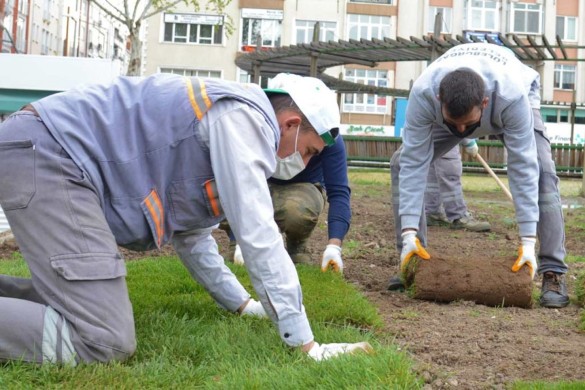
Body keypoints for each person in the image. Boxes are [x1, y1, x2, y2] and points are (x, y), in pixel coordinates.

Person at [0, 72, 371, 364]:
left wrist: (242, 305)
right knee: (103, 338)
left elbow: (192, 235)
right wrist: (305, 343)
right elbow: (259, 236)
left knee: (99, 308)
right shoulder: (245, 119)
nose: (305, 164)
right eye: (308, 152)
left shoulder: (229, 116)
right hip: (49, 156)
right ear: (290, 125)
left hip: (49, 153)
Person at [389, 43, 569, 308]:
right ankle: (413, 257)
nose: (462, 131)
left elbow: (523, 166)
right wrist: (407, 234)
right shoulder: (424, 94)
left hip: (515, 96)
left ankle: (553, 270)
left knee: (542, 169)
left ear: (484, 103)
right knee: (401, 163)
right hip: (459, 100)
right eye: (454, 124)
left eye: (468, 124)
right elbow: (415, 163)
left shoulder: (511, 95)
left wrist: (527, 240)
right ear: (440, 101)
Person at [221, 129, 350, 273]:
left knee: (296, 211)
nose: (306, 160)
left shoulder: (330, 139)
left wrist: (334, 247)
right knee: (220, 188)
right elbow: (236, 180)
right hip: (258, 182)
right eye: (309, 150)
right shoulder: (258, 126)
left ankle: (296, 244)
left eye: (314, 153)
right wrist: (240, 238)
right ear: (291, 125)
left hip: (304, 186)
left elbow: (338, 192)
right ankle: (235, 243)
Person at [425, 140, 491, 232]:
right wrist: (469, 141)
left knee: (433, 160)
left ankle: (432, 212)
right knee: (449, 160)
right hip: (445, 131)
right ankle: (459, 216)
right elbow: (458, 125)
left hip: (429, 131)